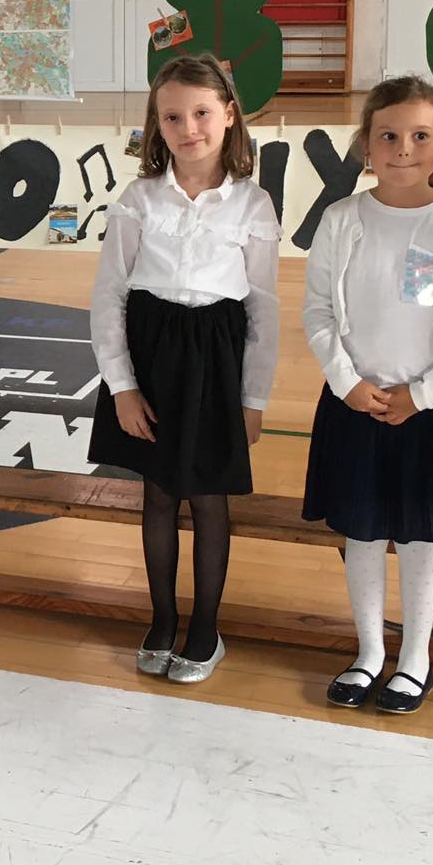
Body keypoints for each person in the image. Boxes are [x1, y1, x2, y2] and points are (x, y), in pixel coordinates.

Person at [301, 75, 433, 715]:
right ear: (366, 144)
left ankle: (415, 659)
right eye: (388, 136)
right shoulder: (341, 220)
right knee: (360, 535)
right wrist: (348, 384)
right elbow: (318, 313)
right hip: (354, 405)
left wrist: (424, 393)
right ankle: (368, 653)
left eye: (419, 135)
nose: (403, 149)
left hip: (427, 411)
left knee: (417, 539)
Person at [87, 55, 280, 687]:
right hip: (153, 357)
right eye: (172, 117)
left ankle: (207, 627)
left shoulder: (252, 204)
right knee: (159, 492)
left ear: (229, 115)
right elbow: (109, 296)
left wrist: (253, 398)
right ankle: (163, 618)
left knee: (208, 495)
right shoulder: (138, 199)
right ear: (156, 125)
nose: (188, 128)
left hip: (216, 361)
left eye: (201, 113)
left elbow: (263, 308)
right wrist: (122, 387)